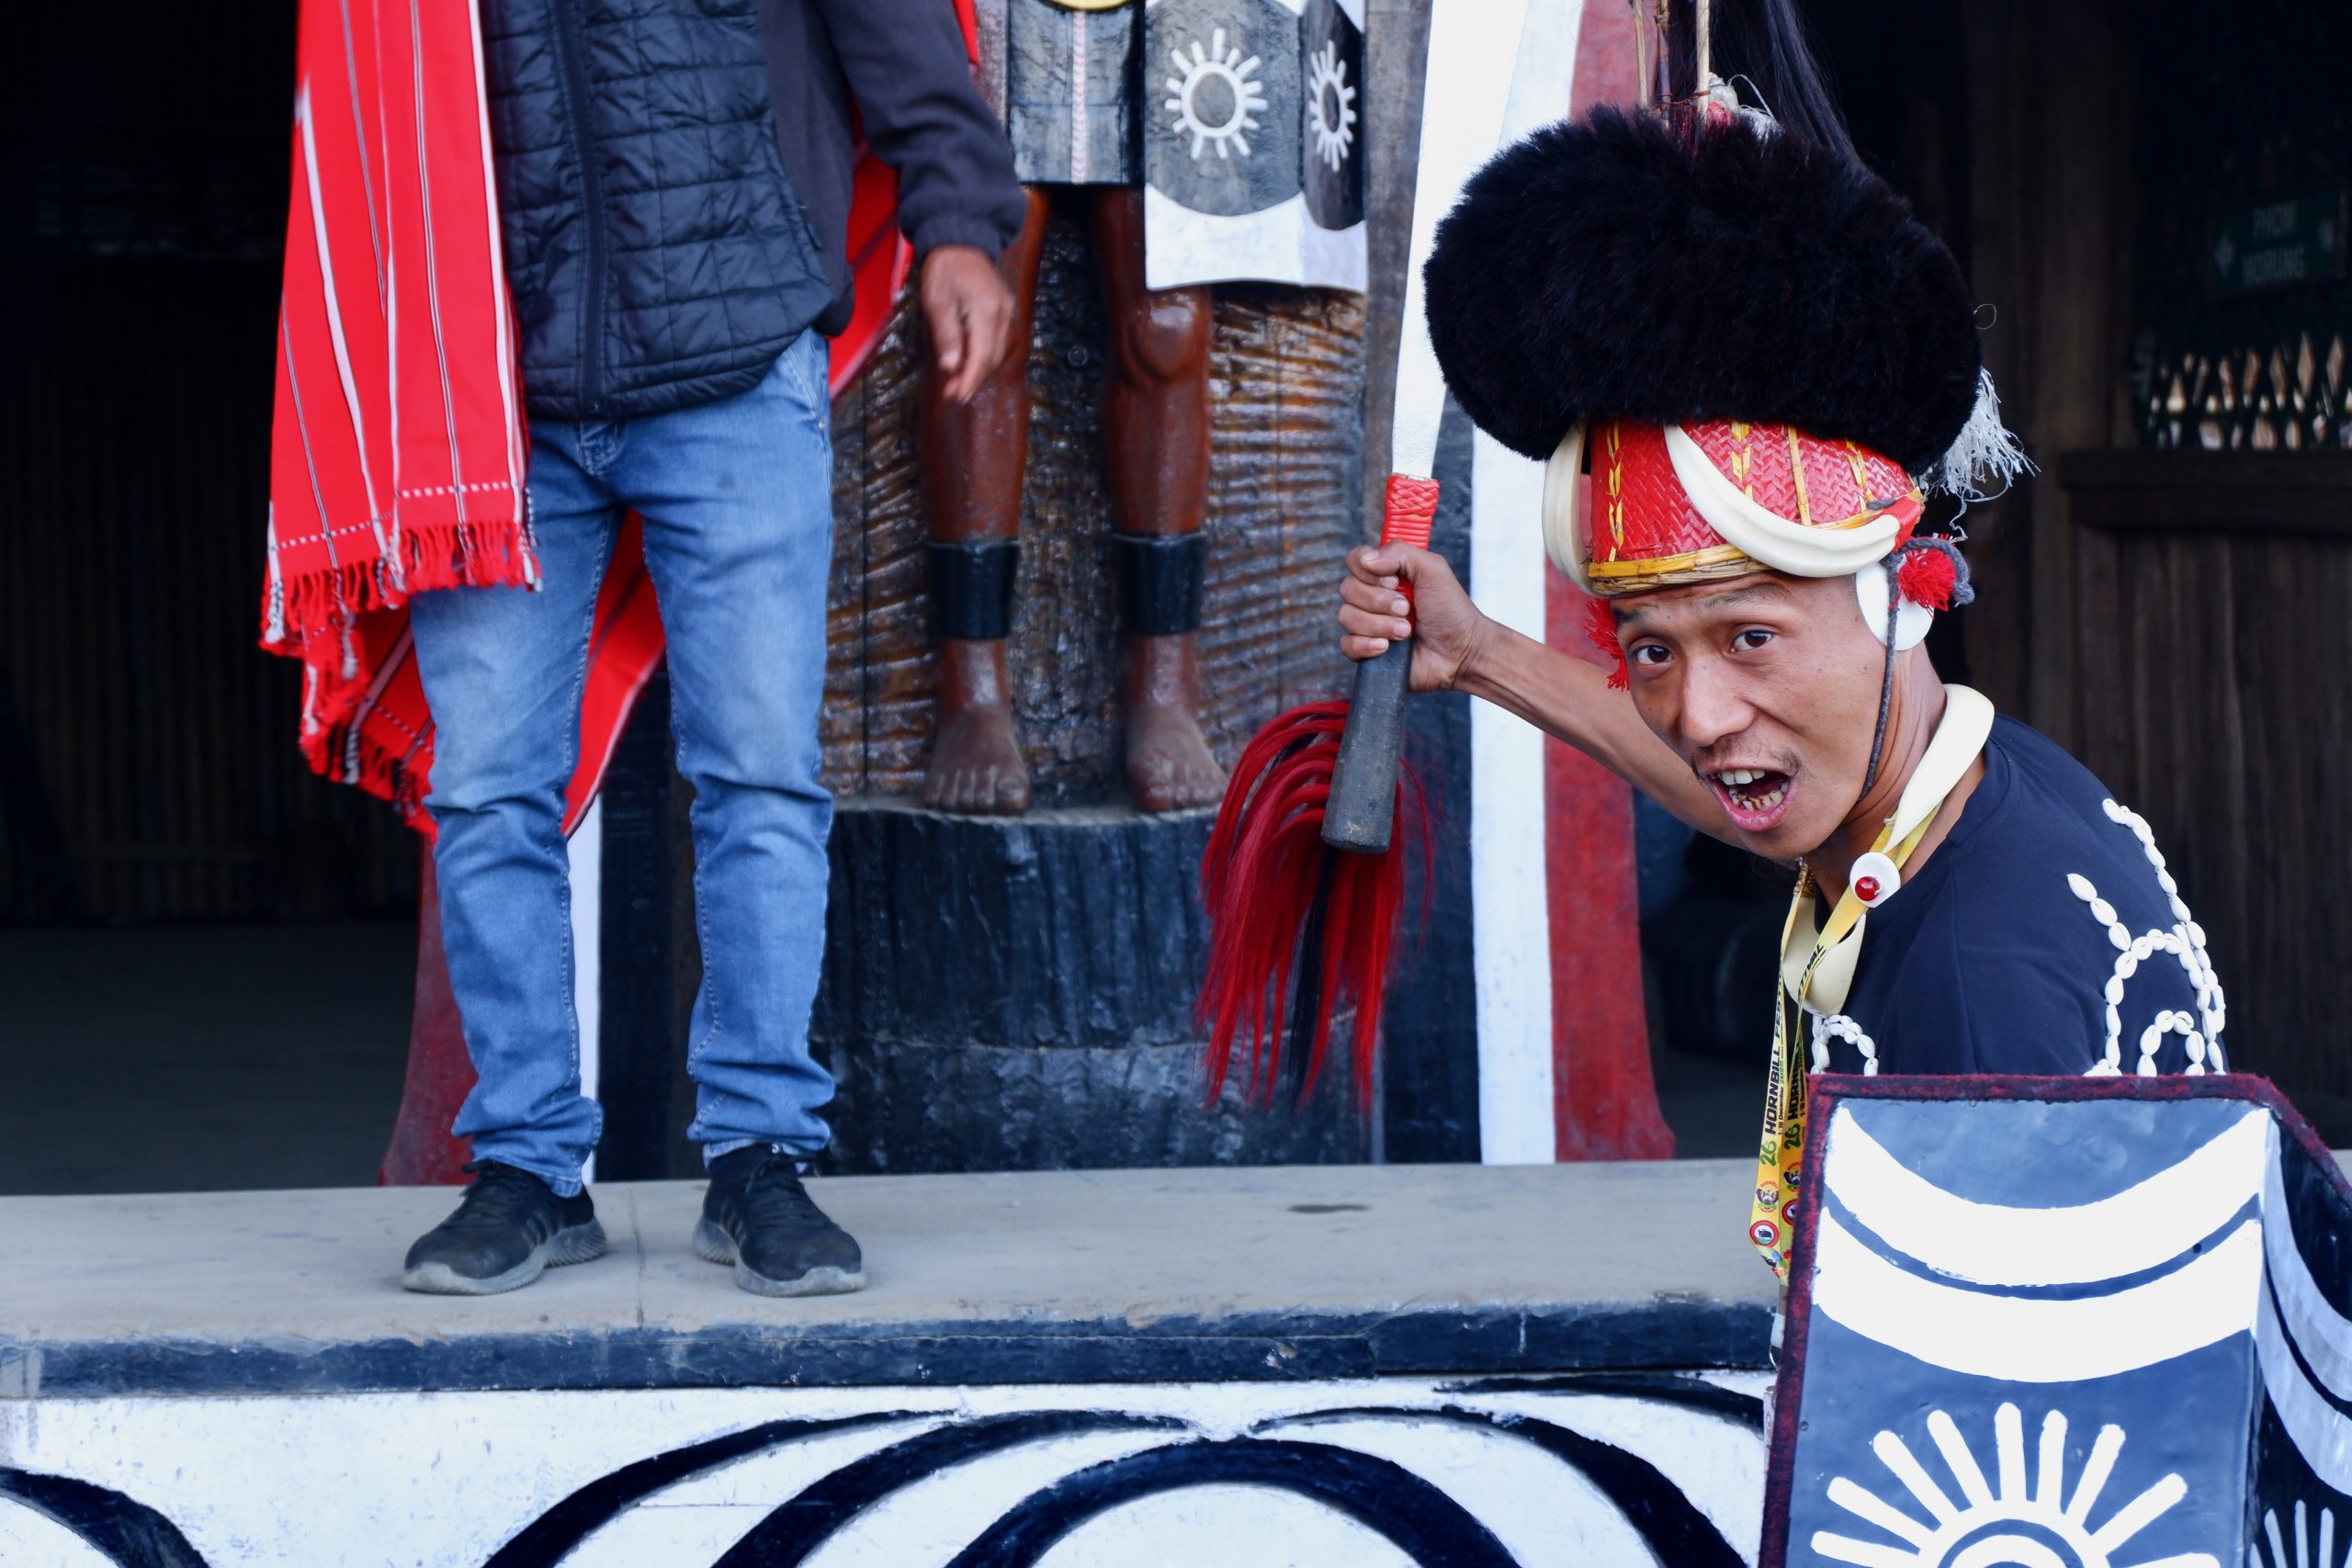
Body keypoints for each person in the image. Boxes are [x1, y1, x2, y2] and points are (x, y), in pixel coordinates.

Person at [1335, 98, 2226, 1276]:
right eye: (1651, 651)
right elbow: (1736, 793)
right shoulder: (1957, 791)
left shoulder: (1977, 992)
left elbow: (2004, 1377)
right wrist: (1480, 654)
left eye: (1750, 637)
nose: (1700, 718)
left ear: (1904, 595)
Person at [398, 0, 1028, 1297]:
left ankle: (758, 1156)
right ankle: (526, 1165)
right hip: (492, 380)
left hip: (736, 350)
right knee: (485, 789)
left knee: (758, 777)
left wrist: (959, 224)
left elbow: (897, 26)